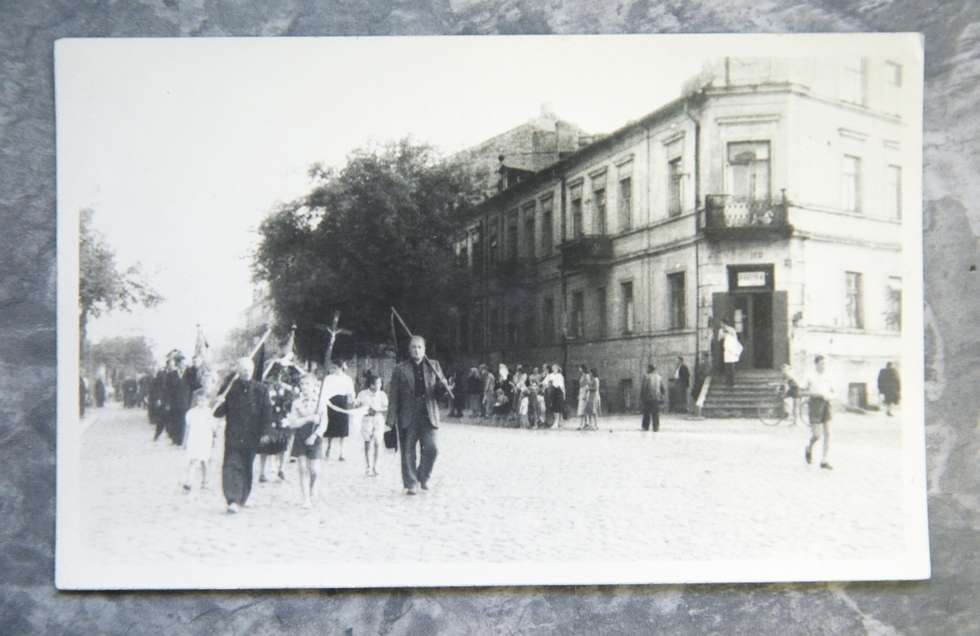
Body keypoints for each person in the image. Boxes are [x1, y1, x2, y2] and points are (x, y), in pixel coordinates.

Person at [385, 335, 446, 495]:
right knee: (408, 451)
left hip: (428, 413)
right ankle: (411, 483)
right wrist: (389, 422)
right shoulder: (400, 369)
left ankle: (423, 477)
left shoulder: (434, 366)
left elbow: (440, 395)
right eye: (414, 347)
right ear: (409, 349)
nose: (417, 350)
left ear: (424, 349)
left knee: (432, 448)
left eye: (420, 347)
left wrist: (444, 387)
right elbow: (394, 396)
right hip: (407, 413)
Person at [213, 357, 273, 513]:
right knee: (231, 465)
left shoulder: (261, 390)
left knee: (246, 466)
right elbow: (218, 413)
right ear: (238, 371)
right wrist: (218, 401)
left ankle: (243, 497)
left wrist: (266, 432)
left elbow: (267, 413)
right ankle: (232, 499)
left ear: (252, 370)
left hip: (252, 435)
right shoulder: (229, 389)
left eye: (249, 369)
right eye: (243, 369)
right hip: (233, 434)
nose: (246, 372)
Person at [287, 372, 323, 508]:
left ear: (314, 386)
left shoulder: (320, 402)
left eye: (307, 384)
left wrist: (315, 436)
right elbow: (292, 423)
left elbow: (324, 423)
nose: (304, 387)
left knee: (314, 470)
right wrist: (308, 419)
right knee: (302, 468)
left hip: (315, 438)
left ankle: (312, 487)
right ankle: (306, 498)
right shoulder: (296, 403)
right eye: (302, 384)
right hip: (301, 437)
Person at [181, 389, 220, 492]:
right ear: (196, 401)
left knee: (204, 462)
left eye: (203, 401)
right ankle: (188, 481)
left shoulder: (210, 413)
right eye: (199, 400)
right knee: (192, 460)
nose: (201, 403)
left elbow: (214, 429)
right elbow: (187, 428)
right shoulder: (191, 413)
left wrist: (214, 441)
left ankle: (205, 481)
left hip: (205, 440)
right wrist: (184, 442)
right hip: (194, 439)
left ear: (207, 401)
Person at [804, 355, 835, 470]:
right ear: (816, 364)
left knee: (828, 433)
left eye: (825, 364)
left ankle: (824, 460)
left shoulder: (829, 376)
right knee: (817, 435)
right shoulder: (809, 376)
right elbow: (803, 391)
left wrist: (830, 396)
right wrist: (815, 394)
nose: (824, 366)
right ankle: (809, 447)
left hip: (827, 404)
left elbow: (833, 391)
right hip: (815, 404)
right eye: (822, 364)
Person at [356, 370, 388, 476]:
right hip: (366, 420)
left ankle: (376, 466)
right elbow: (357, 405)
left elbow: (386, 408)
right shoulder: (362, 394)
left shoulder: (382, 394)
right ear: (371, 384)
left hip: (378, 419)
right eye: (377, 383)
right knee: (367, 442)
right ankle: (368, 465)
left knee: (378, 443)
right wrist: (361, 408)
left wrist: (377, 410)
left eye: (380, 383)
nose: (379, 385)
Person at [321, 362, 355, 461]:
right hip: (331, 403)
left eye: (336, 368)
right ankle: (328, 448)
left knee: (343, 429)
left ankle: (342, 453)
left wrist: (353, 400)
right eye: (332, 368)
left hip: (342, 403)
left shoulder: (347, 379)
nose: (334, 370)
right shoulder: (328, 378)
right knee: (330, 427)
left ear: (341, 368)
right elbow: (324, 391)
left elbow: (351, 392)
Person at [640, 364, 666, 432]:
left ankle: (645, 427)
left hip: (648, 398)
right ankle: (656, 427)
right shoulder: (659, 377)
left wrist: (642, 397)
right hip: (656, 398)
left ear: (649, 369)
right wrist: (661, 395)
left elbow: (644, 388)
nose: (647, 370)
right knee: (656, 413)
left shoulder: (646, 377)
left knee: (646, 413)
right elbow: (663, 389)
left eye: (647, 368)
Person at [720, 321, 742, 388]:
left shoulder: (730, 337)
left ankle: (731, 382)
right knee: (728, 368)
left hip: (730, 354)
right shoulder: (726, 336)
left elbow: (733, 343)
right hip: (728, 354)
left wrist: (734, 352)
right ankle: (729, 382)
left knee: (731, 369)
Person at [544, 364, 565, 428]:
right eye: (552, 368)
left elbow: (561, 385)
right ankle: (555, 422)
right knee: (553, 408)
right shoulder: (550, 375)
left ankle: (557, 423)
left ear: (557, 369)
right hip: (552, 392)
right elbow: (545, 382)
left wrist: (564, 394)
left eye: (555, 368)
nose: (553, 369)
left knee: (558, 408)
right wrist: (548, 384)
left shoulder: (560, 376)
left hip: (559, 392)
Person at [576, 366, 591, 430]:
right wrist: (579, 394)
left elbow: (588, 385)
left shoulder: (587, 375)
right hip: (582, 391)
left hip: (585, 392)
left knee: (583, 409)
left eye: (580, 368)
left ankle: (582, 424)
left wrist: (586, 394)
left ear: (583, 368)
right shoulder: (582, 375)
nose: (579, 369)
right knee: (582, 409)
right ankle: (585, 423)